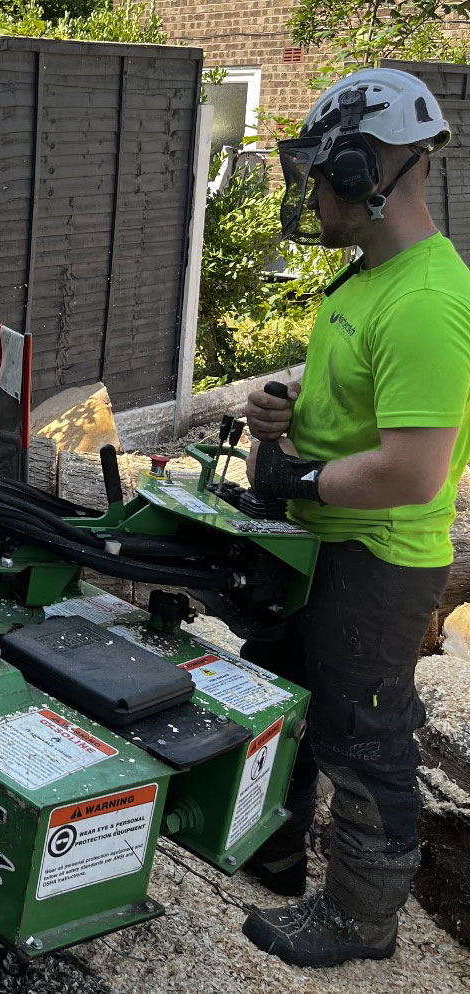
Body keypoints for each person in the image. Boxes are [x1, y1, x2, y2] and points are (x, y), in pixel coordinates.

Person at [239, 67, 470, 968]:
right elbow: (363, 412)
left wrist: (295, 479)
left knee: (365, 737)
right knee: (284, 693)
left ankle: (362, 922)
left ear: (359, 164)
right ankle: (276, 852)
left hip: (377, 557)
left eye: (318, 173)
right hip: (332, 545)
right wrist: (286, 414)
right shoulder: (369, 280)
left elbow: (411, 471)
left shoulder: (424, 302)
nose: (309, 193)